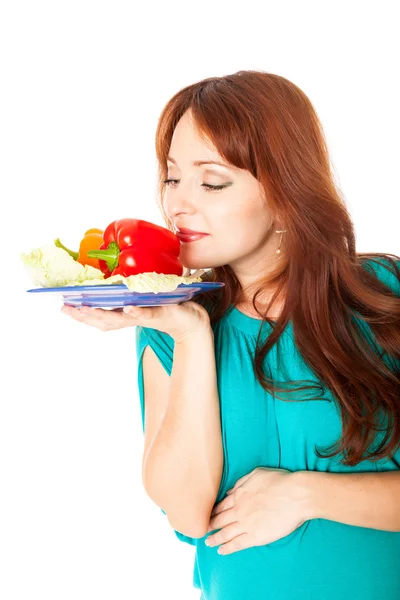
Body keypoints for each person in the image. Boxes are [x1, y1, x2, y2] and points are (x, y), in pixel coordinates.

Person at [62, 70, 400, 600]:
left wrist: (310, 495)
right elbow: (188, 513)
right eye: (172, 177)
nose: (178, 204)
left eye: (212, 181)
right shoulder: (170, 325)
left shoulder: (384, 296)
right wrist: (193, 335)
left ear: (286, 191)